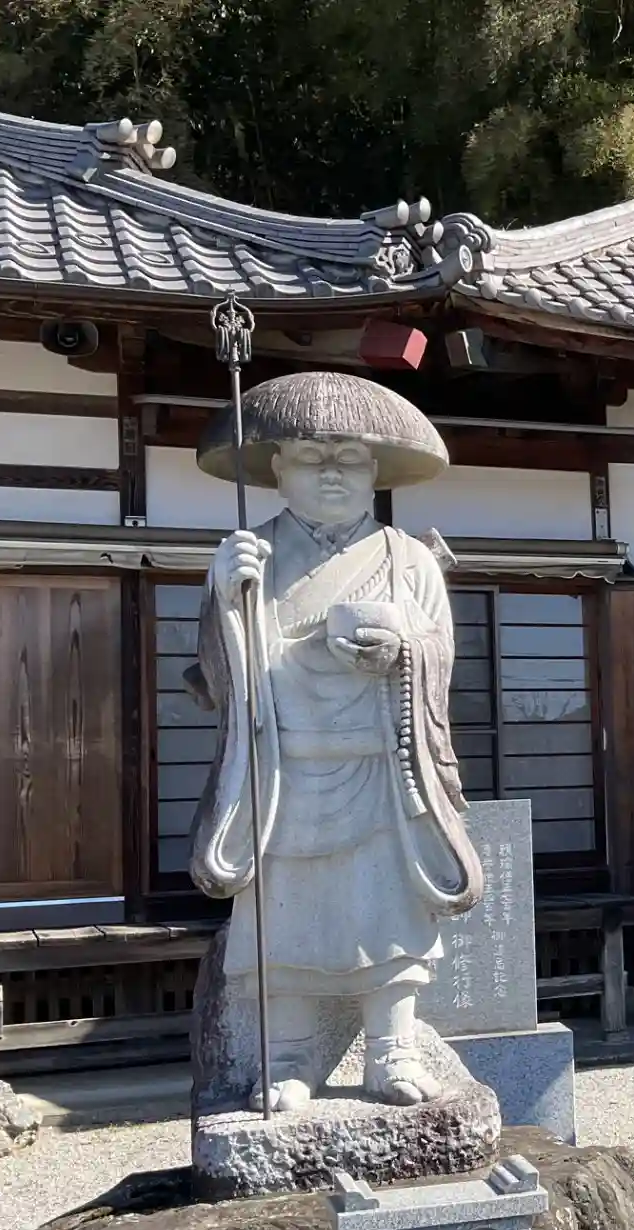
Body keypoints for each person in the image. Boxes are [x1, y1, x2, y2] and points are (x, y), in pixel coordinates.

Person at [189, 372, 480, 1113]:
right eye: (311, 458)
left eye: (350, 459)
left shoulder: (408, 560)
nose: (331, 474)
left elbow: (441, 655)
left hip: (382, 770)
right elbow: (215, 677)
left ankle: (392, 1048)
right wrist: (225, 601)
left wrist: (403, 650)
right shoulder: (250, 555)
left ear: (375, 470)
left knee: (388, 912)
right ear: (276, 467)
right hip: (284, 775)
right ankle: (287, 1057)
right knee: (285, 918)